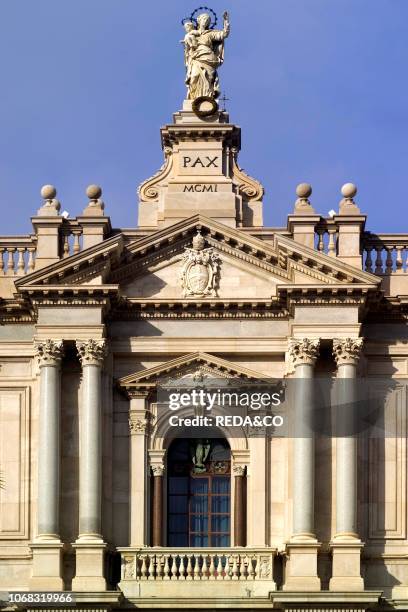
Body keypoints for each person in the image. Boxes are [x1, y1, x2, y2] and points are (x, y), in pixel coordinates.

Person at [185, 11, 230, 100]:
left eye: (208, 20)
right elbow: (187, 44)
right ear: (199, 21)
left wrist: (226, 22)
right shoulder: (192, 33)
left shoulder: (211, 33)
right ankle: (195, 98)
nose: (206, 21)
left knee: (209, 78)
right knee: (194, 77)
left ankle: (208, 97)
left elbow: (224, 34)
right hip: (196, 57)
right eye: (204, 19)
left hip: (209, 57)